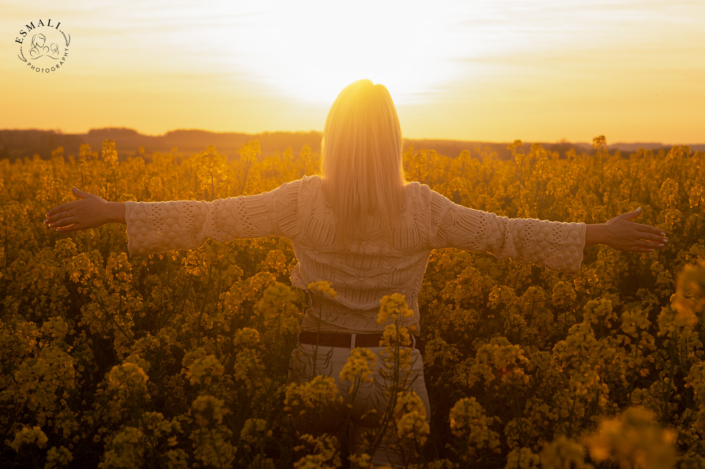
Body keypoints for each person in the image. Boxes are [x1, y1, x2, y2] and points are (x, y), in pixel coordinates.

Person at [43, 79, 668, 466]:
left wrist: (112, 213)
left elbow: (210, 219)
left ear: (331, 139)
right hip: (396, 375)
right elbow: (508, 235)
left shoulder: (301, 199)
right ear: (394, 139)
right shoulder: (422, 207)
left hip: (313, 371)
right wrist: (600, 233)